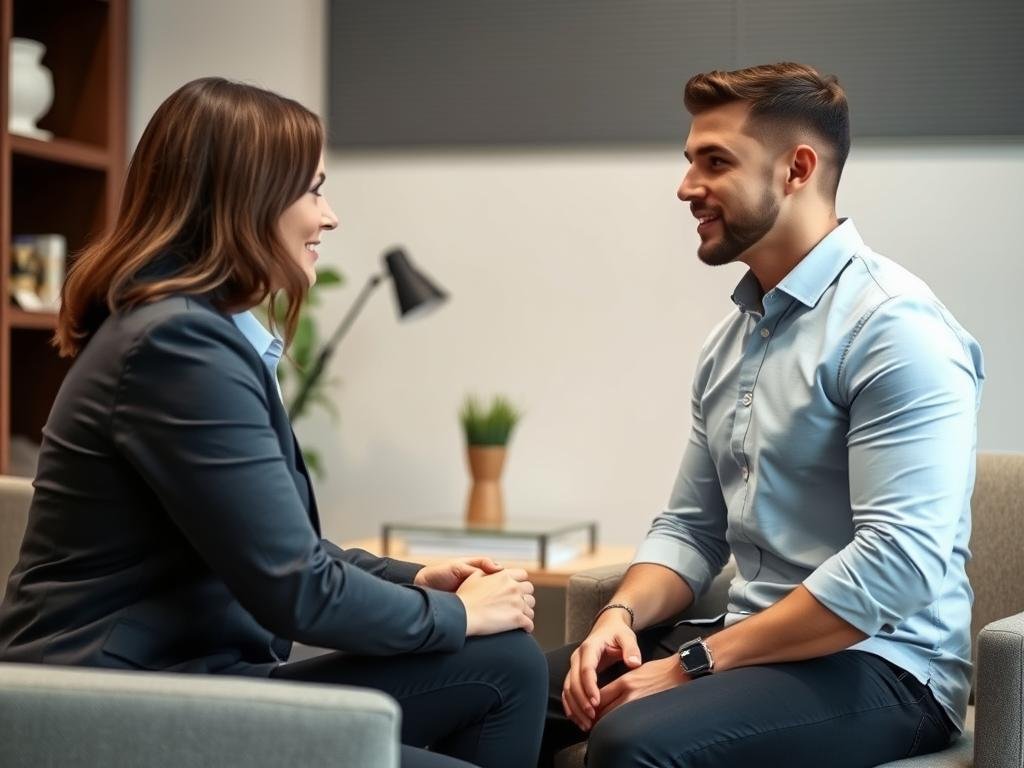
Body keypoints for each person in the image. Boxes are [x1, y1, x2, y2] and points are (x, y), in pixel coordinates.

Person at [0, 77, 547, 768]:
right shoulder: (177, 347)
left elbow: (280, 549)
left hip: (191, 682)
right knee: (487, 649)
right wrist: (461, 613)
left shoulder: (191, 331)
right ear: (247, 198)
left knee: (509, 663)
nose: (331, 216)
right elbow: (295, 587)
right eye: (314, 190)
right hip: (117, 710)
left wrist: (419, 580)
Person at [540, 62, 984, 768]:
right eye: (690, 161)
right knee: (507, 689)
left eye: (715, 162)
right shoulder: (730, 342)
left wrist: (691, 665)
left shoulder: (896, 329)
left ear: (796, 169)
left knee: (632, 741)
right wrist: (617, 617)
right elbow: (690, 528)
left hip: (885, 667)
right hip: (745, 640)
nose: (687, 186)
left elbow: (897, 565)